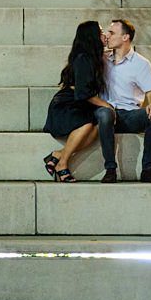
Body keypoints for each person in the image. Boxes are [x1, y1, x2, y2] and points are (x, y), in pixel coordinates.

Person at [42, 20, 114, 183]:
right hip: (66, 104)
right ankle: (62, 164)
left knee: (96, 128)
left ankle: (58, 155)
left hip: (78, 103)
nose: (104, 35)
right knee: (87, 124)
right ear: (92, 36)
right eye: (100, 31)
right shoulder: (83, 58)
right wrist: (106, 105)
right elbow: (83, 92)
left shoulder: (93, 57)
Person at [96, 17, 151, 183]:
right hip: (107, 112)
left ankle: (148, 169)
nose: (107, 35)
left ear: (125, 37)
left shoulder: (141, 63)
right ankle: (110, 169)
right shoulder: (102, 59)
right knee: (104, 114)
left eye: (112, 32)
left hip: (130, 115)